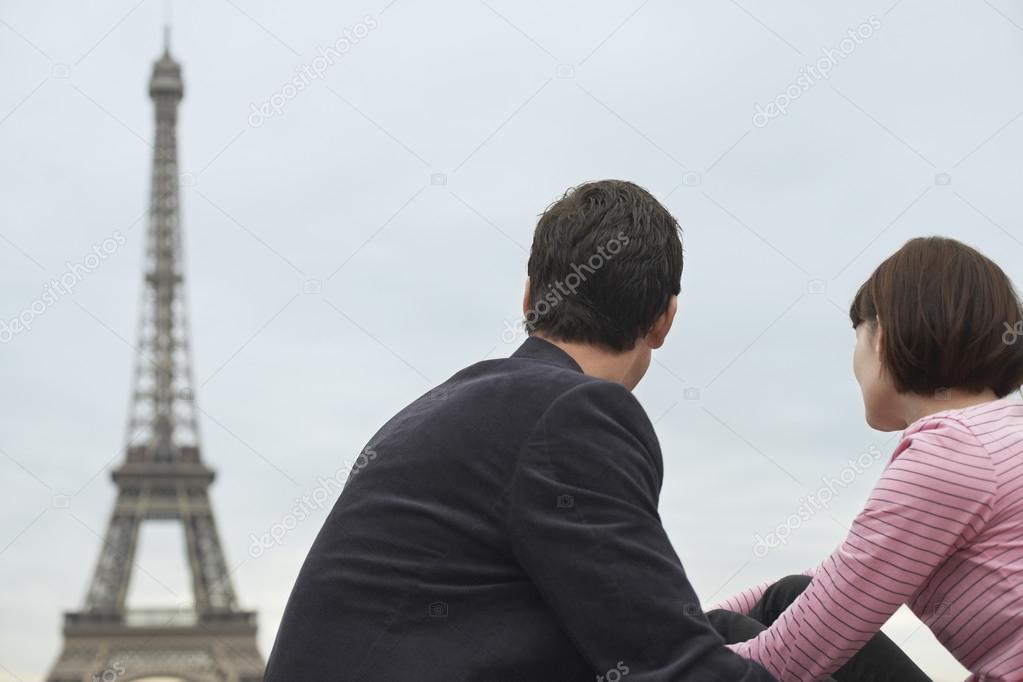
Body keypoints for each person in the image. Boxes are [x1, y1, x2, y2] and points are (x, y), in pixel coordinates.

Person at [264, 180, 777, 680]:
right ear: (665, 319)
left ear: (529, 299)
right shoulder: (572, 413)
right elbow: (670, 663)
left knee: (752, 618)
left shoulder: (449, 409)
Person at [712, 237, 1023, 681]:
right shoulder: (998, 434)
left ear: (883, 337)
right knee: (788, 596)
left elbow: (793, 657)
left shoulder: (950, 454)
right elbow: (834, 582)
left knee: (714, 644)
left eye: (857, 336)